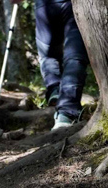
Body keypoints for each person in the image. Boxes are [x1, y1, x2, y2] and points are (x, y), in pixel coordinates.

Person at [13, 0, 89, 130]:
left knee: (48, 53)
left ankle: (54, 89)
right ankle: (67, 113)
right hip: (74, 4)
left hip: (45, 5)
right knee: (75, 55)